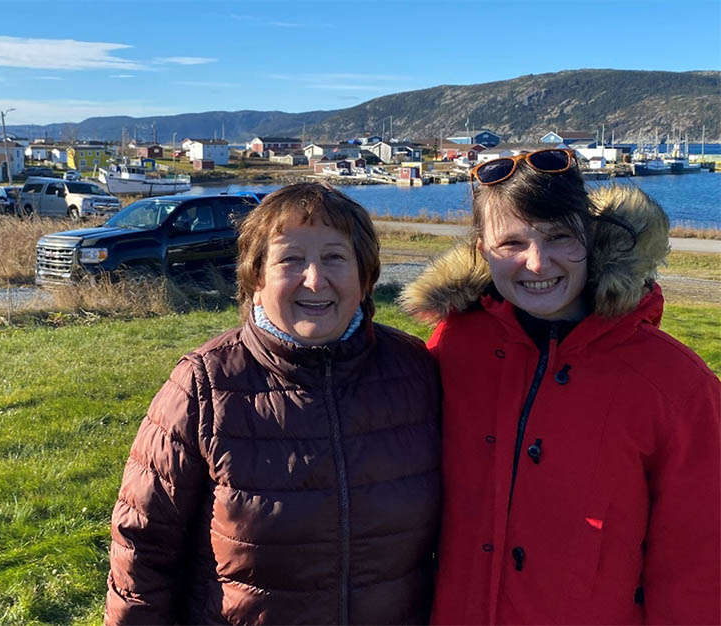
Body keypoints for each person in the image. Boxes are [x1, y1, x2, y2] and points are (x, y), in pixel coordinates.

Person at [401, 148, 721, 625]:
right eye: (511, 243)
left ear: (591, 238)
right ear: (480, 248)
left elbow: (698, 562)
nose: (536, 262)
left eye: (557, 238)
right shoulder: (455, 345)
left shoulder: (674, 384)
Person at [105, 182, 441, 625]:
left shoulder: (415, 370)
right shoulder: (205, 384)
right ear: (256, 278)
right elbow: (142, 546)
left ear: (365, 276)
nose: (315, 279)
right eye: (291, 259)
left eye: (335, 258)